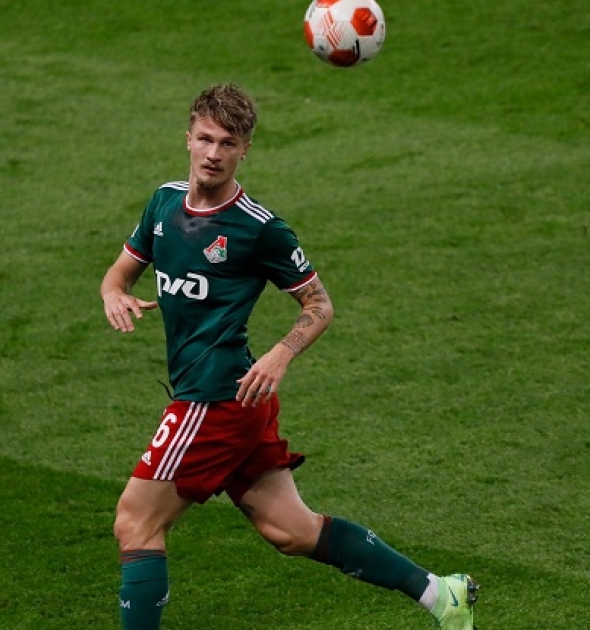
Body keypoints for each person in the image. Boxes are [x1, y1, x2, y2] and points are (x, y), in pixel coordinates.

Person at [99, 83, 478, 630]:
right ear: (188, 138)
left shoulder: (258, 228)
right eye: (205, 139)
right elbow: (120, 272)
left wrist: (282, 352)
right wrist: (114, 293)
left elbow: (319, 304)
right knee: (292, 531)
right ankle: (441, 595)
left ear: (245, 150)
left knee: (135, 522)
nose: (213, 153)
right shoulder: (163, 201)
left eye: (228, 143)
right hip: (240, 400)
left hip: (214, 400)